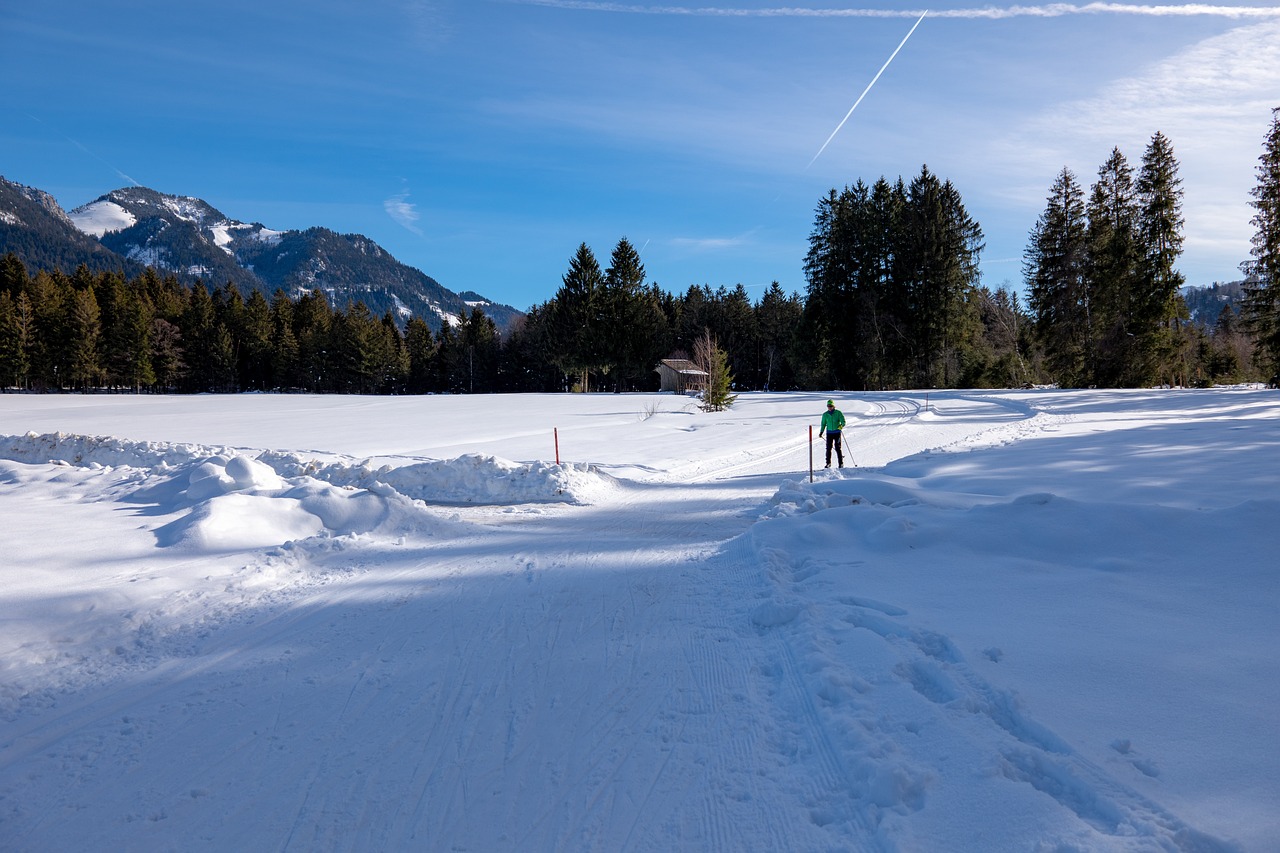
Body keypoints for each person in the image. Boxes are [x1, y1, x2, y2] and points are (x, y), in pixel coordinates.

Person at [818, 399, 846, 468]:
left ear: (833, 406)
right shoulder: (825, 414)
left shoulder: (838, 413)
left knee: (837, 447)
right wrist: (821, 432)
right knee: (828, 448)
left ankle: (841, 463)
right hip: (829, 433)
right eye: (828, 406)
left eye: (831, 406)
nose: (829, 407)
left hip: (837, 432)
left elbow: (843, 421)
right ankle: (828, 463)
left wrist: (841, 426)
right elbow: (823, 424)